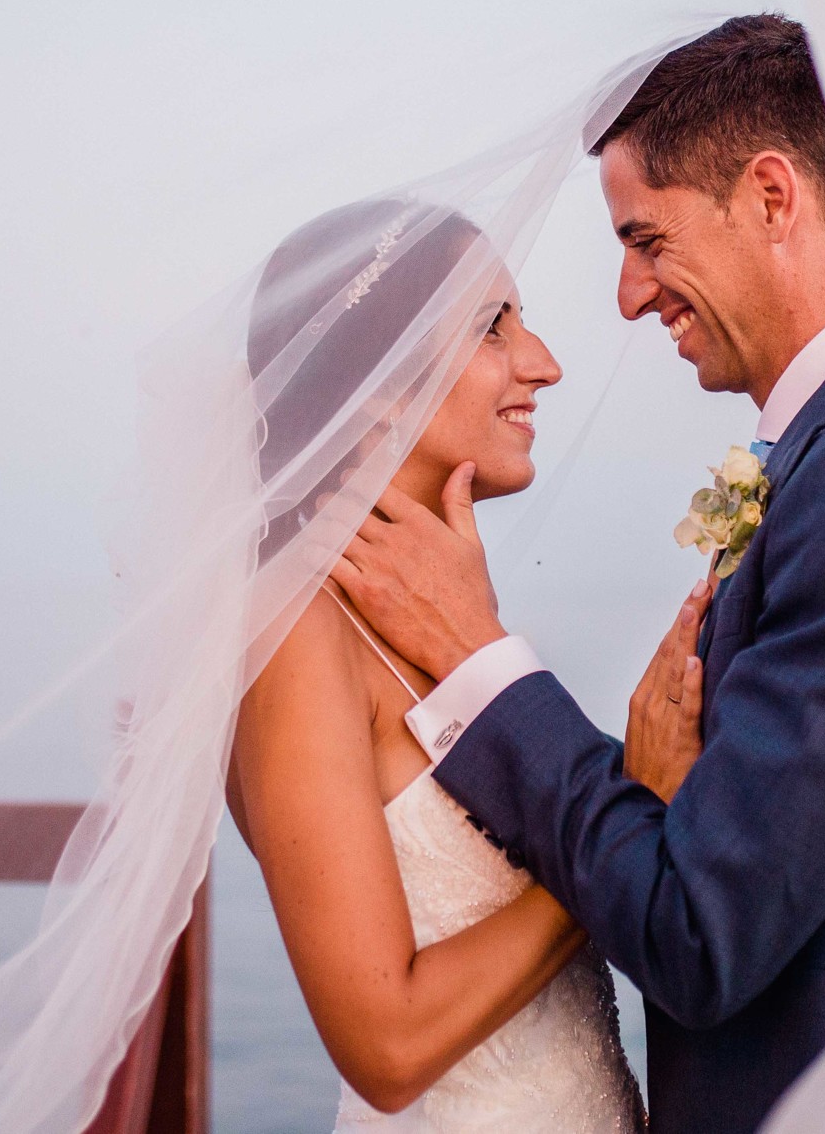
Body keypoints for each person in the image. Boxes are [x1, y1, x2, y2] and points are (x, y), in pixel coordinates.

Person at [330, 15, 825, 1134]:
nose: (625, 298)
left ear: (771, 196)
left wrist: (477, 659)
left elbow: (697, 933)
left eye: (645, 239)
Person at [225, 199, 660, 1132]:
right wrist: (626, 832)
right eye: (491, 326)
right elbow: (386, 1046)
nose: (541, 360)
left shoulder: (445, 615)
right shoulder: (300, 639)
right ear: (377, 380)